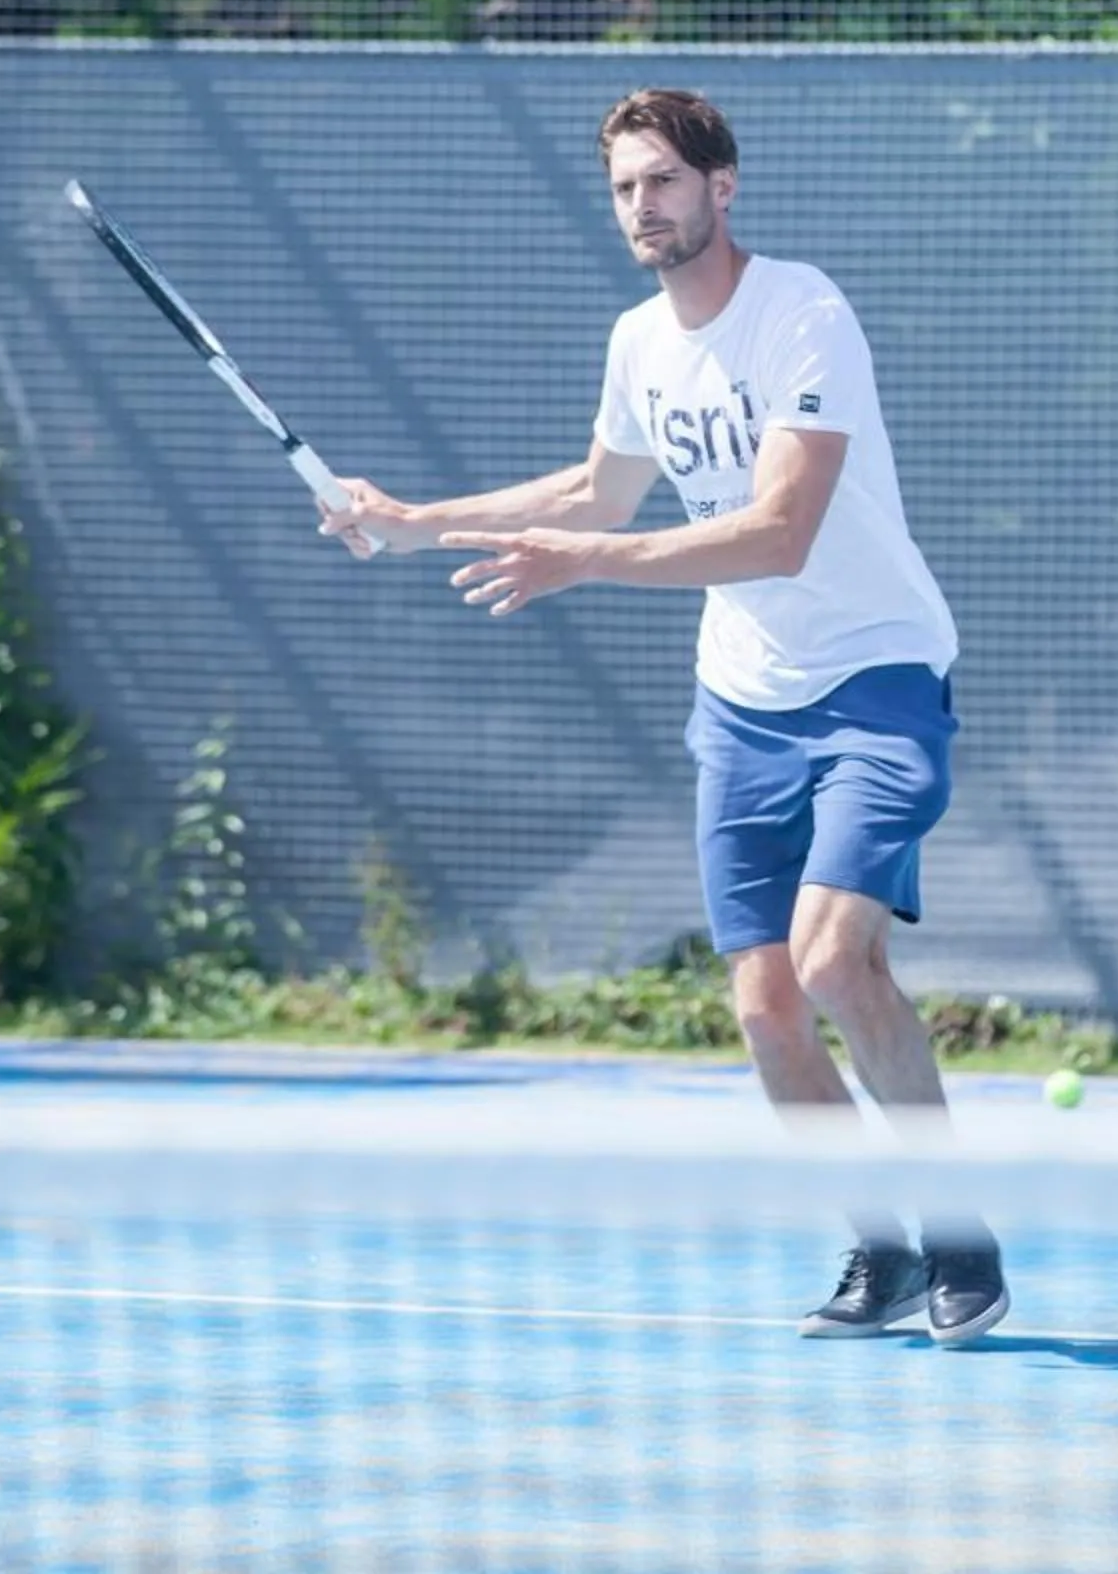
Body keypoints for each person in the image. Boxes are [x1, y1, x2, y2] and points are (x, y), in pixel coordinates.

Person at [319, 87, 1010, 1348]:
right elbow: (597, 488)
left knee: (834, 958)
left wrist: (589, 563)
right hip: (742, 702)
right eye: (626, 186)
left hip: (876, 676)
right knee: (763, 1007)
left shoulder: (803, 312)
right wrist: (418, 520)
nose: (643, 205)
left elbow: (779, 529)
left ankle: (960, 1233)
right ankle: (883, 1249)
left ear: (721, 186)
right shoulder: (640, 340)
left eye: (664, 182)